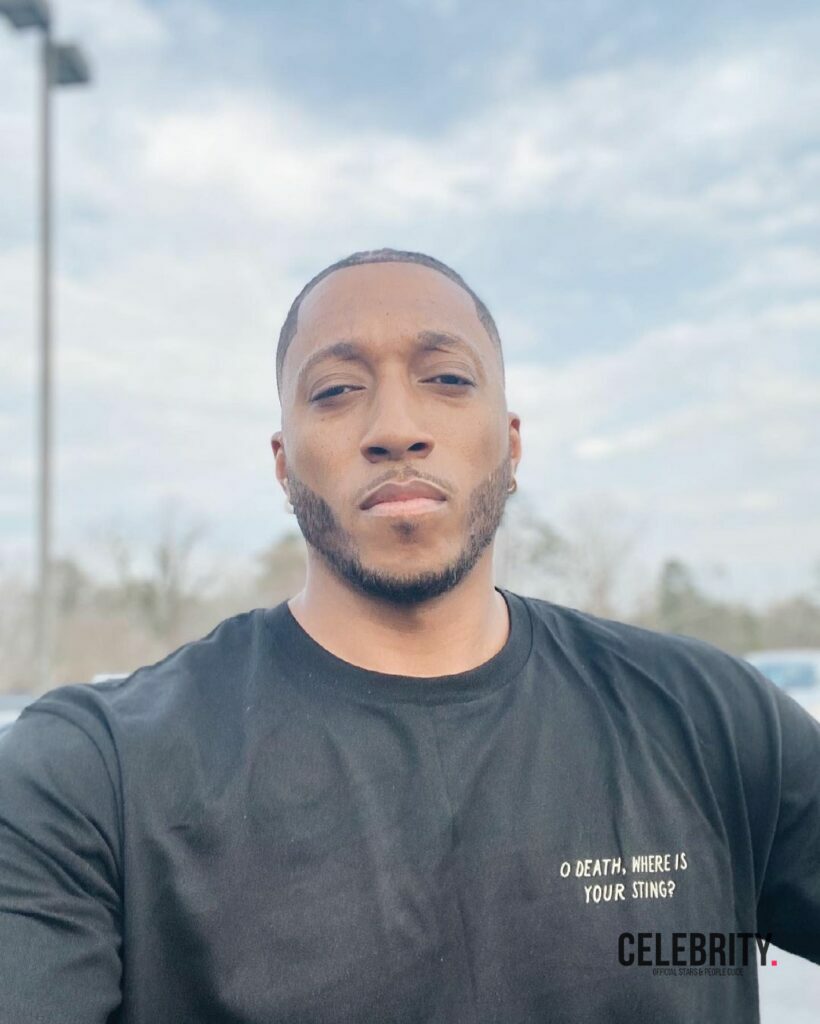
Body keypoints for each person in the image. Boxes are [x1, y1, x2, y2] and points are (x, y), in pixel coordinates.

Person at [0, 248, 818, 1024]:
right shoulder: (91, 777)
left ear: (512, 445)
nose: (395, 427)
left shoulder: (712, 720)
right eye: (335, 390)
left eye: (447, 379)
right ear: (284, 463)